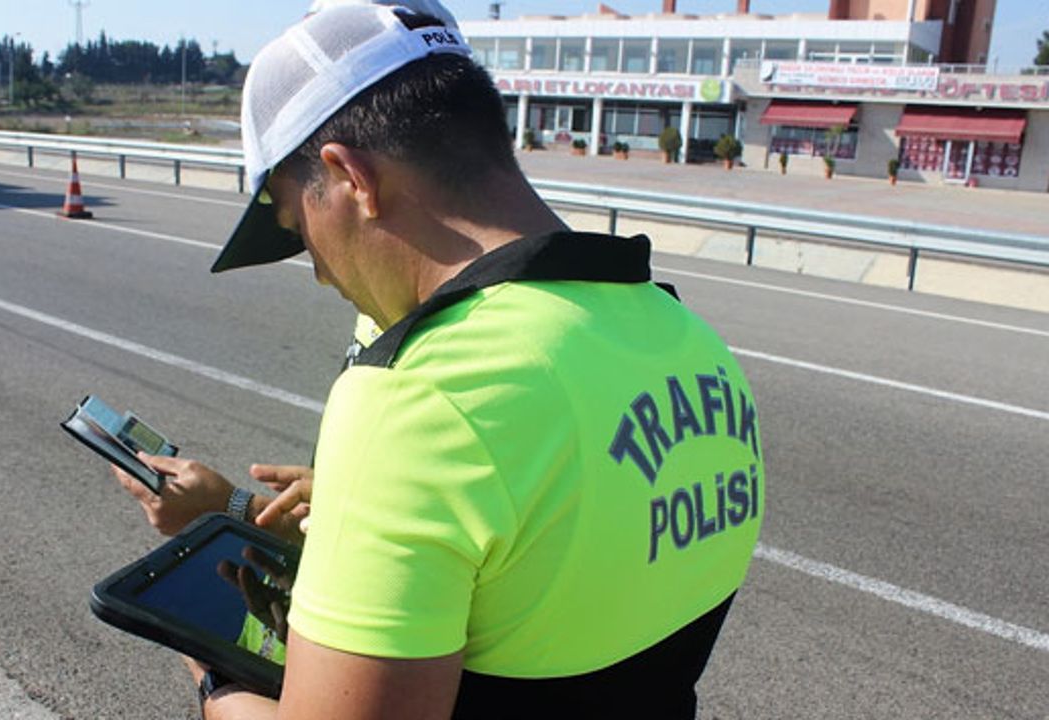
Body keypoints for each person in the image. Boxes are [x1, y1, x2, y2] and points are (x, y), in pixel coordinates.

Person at [115, 5, 766, 719]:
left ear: (349, 176)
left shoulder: (422, 400)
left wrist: (217, 678)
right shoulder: (695, 345)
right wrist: (350, 512)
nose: (321, 275)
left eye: (298, 227)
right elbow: (542, 568)